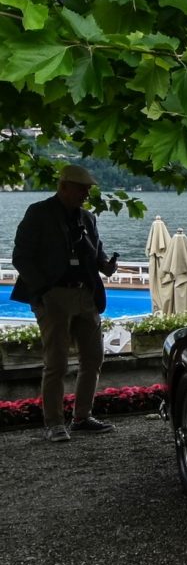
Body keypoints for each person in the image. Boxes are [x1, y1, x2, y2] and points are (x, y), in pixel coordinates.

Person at [8, 164, 120, 442]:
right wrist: (45, 291)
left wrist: (107, 266)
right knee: (56, 363)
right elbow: (20, 257)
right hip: (54, 296)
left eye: (88, 189)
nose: (86, 194)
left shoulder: (88, 218)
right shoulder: (39, 213)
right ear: (64, 186)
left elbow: (98, 258)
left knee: (93, 358)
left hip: (86, 295)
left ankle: (82, 418)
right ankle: (54, 423)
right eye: (82, 188)